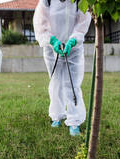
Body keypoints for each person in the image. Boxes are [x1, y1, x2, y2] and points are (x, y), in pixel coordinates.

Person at [33, 0, 91, 136]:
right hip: (52, 47)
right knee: (56, 81)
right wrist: (52, 40)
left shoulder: (79, 1)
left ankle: (74, 120)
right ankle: (57, 115)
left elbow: (82, 22)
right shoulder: (46, 1)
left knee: (73, 83)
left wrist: (73, 39)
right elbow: (40, 22)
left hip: (74, 47)